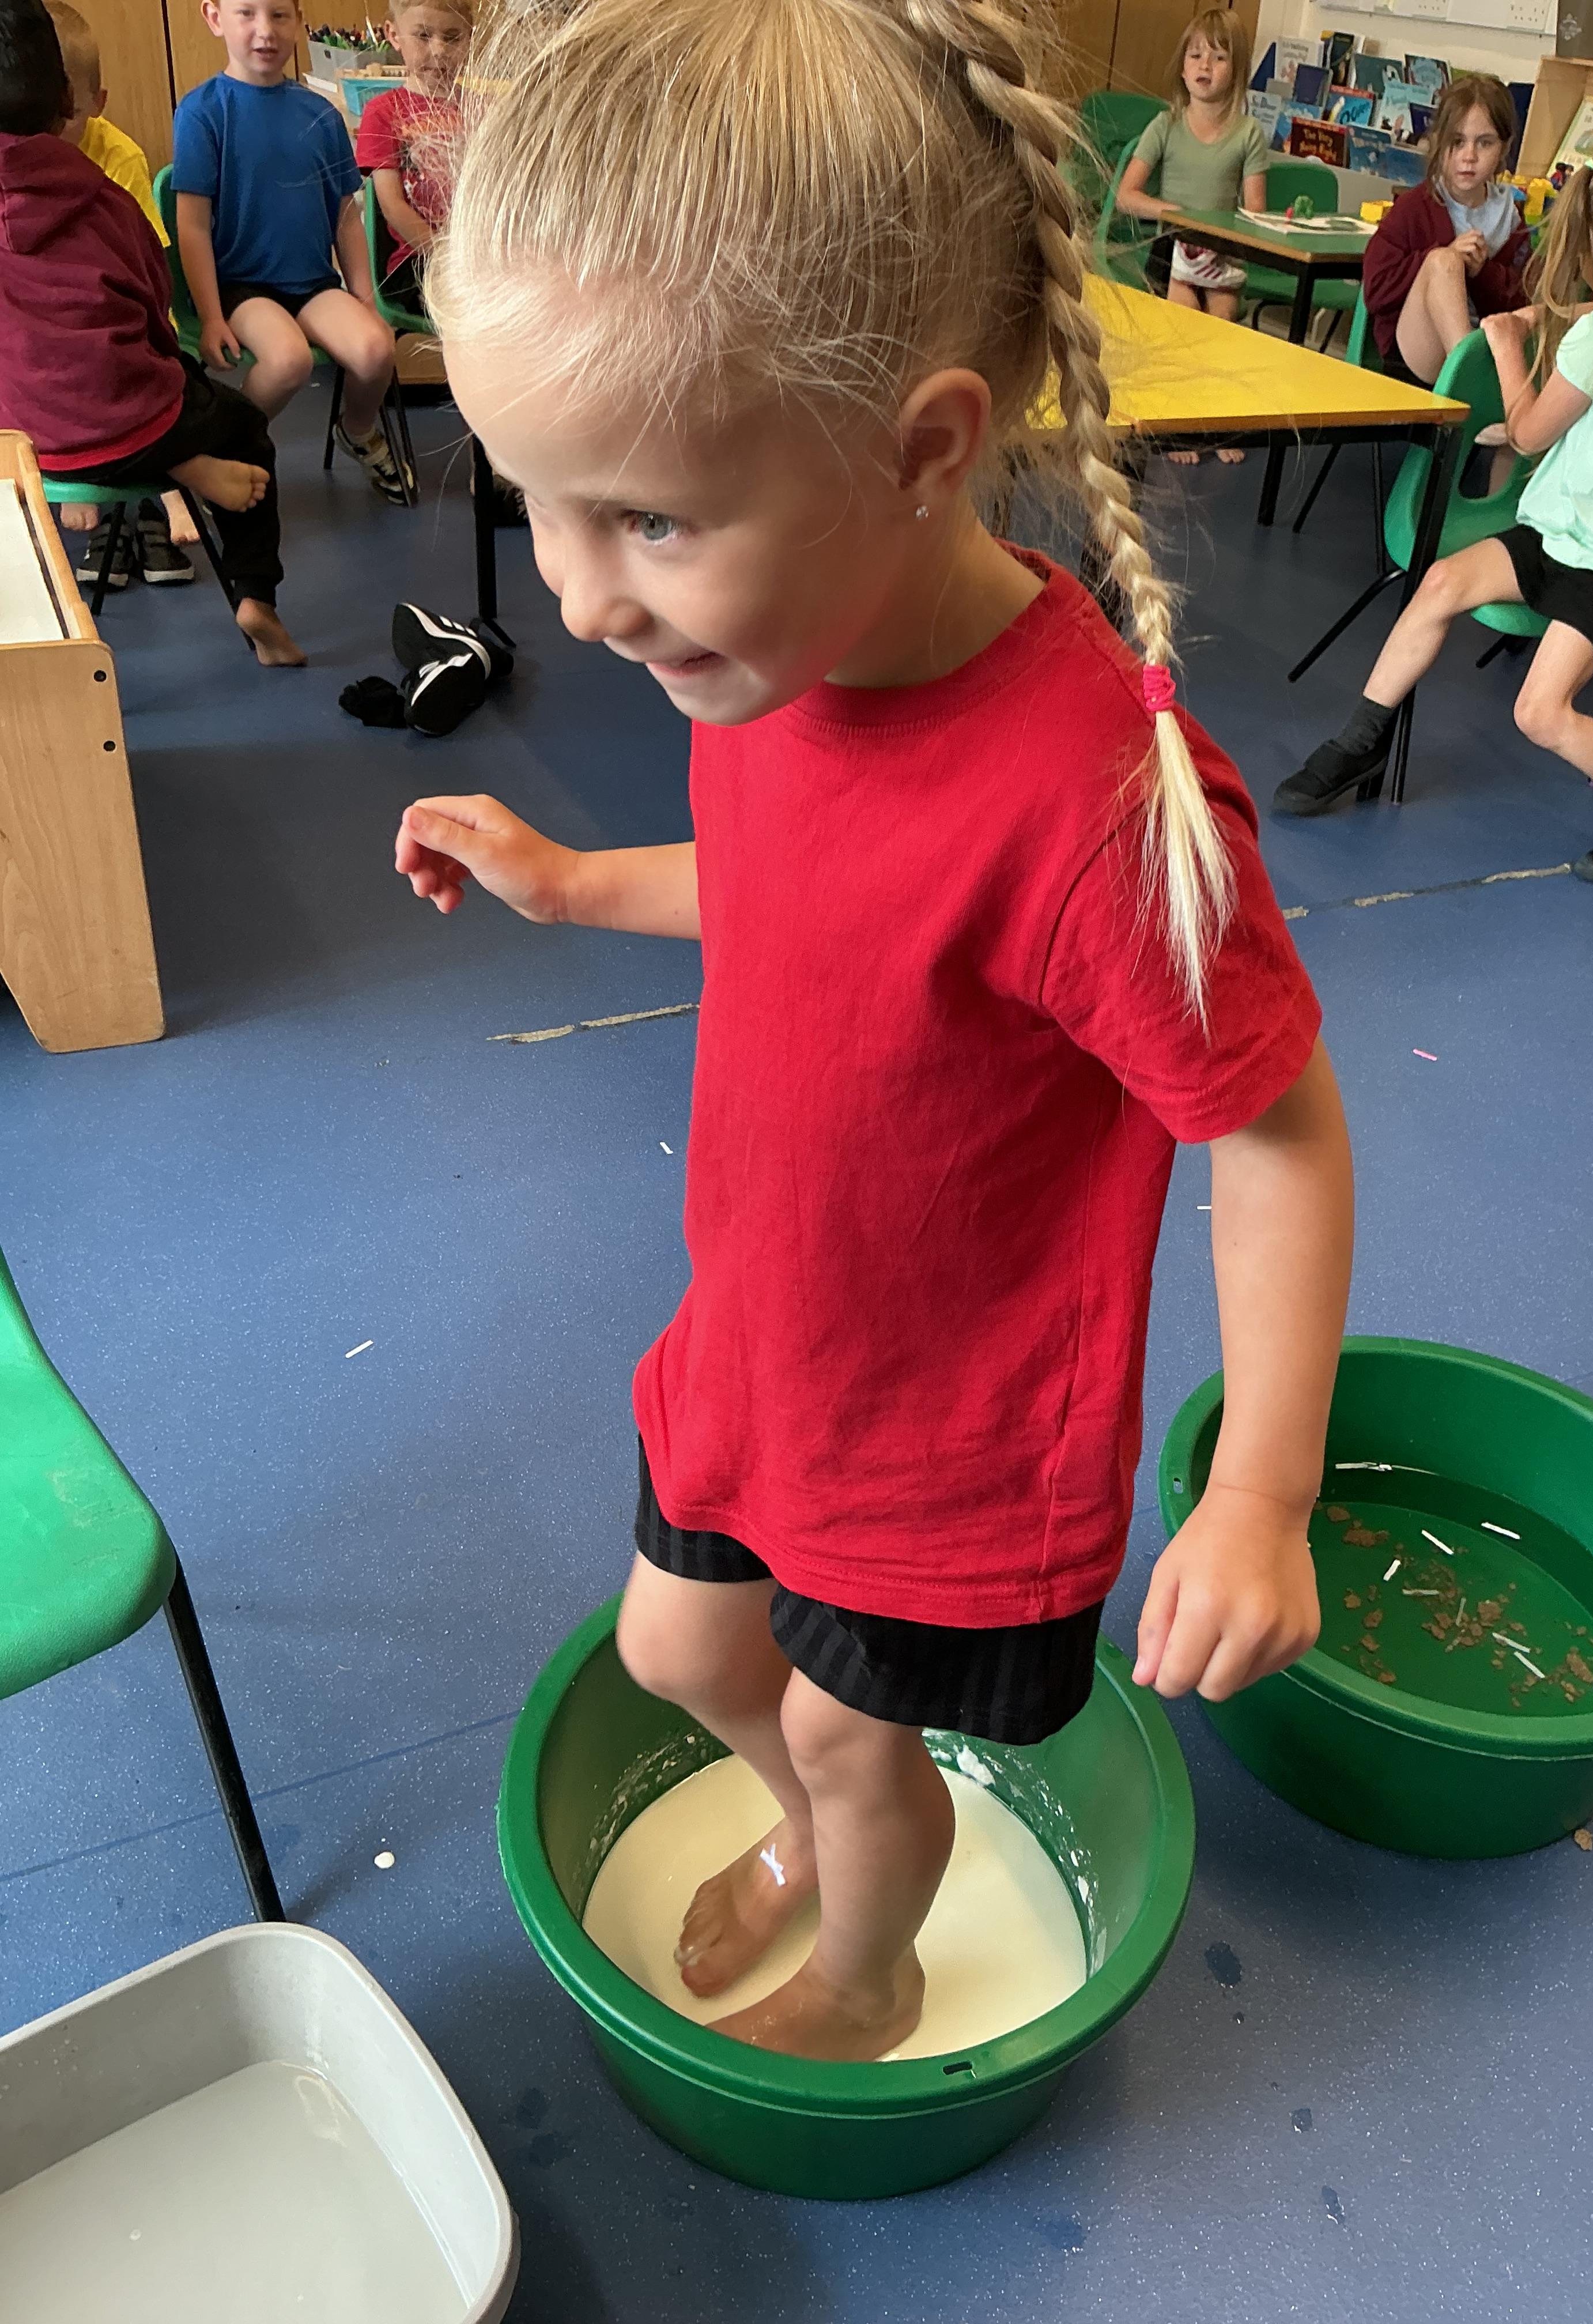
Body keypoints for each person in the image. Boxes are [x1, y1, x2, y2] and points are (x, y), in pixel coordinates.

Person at [395, 0, 1354, 2063]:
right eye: (537, 504)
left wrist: (1262, 1487)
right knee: (680, 1649)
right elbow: (804, 891)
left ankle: (864, 1959)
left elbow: (1275, 1127)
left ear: (920, 448)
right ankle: (821, 1830)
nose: (575, 598)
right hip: (767, 1338)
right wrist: (577, 883)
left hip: (947, 1430)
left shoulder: (1092, 808)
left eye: (647, 521)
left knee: (850, 1725)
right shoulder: (771, 653)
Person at [1277, 133, 1593, 888]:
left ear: (1589, 228)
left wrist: (1508, 343)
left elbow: (1531, 433)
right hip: (1563, 535)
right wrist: (1550, 315)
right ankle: (1362, 739)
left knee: (1540, 713)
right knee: (1441, 581)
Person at [0, 0, 302, 659]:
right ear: (67, 102)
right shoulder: (106, 201)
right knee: (244, 424)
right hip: (128, 426)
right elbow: (152, 304)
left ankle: (177, 465)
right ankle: (256, 597)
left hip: (20, 444)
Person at [173, 0, 405, 500]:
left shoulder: (320, 114)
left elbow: (346, 216)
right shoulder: (202, 111)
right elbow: (191, 227)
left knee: (376, 349)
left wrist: (366, 297)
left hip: (313, 284)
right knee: (289, 361)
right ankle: (224, 454)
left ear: (298, 21)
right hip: (242, 288)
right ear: (214, 18)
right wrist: (211, 316)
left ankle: (357, 431)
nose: (265, 31)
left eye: (279, 15)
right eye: (247, 14)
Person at [43, 0, 199, 584]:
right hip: (53, 328)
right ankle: (96, 489)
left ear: (96, 103)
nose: (54, 127)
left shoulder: (117, 155)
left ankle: (161, 495)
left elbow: (144, 266)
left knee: (141, 365)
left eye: (68, 111)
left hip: (118, 311)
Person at [1113, 5, 1266, 463]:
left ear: (1237, 71)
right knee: (1184, 330)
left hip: (1221, 251)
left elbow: (1255, 212)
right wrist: (1176, 213)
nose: (1205, 66)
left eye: (1219, 58)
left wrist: (1222, 231)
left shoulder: (1248, 133)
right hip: (1171, 247)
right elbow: (1126, 196)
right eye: (1196, 55)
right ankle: (1176, 428)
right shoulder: (1166, 125)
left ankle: (1213, 426)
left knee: (1220, 329)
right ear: (1182, 68)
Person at [1361, 74, 1530, 385]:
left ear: (1504, 147)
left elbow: (1522, 303)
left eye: (1485, 143)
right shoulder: (1415, 206)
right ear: (1440, 143)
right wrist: (1438, 260)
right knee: (1444, 261)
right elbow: (1376, 291)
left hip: (1489, 348)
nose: (1469, 156)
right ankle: (1466, 382)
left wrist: (1483, 273)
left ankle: (1469, 376)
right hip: (1417, 353)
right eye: (1457, 142)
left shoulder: (1511, 218)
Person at [354, 0, 469, 321]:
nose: (440, 50)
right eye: (423, 36)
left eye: (453, 37)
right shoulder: (384, 112)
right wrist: (450, 259)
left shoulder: (482, 109)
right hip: (418, 260)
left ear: (470, 39)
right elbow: (392, 206)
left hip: (478, 255)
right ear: (394, 35)